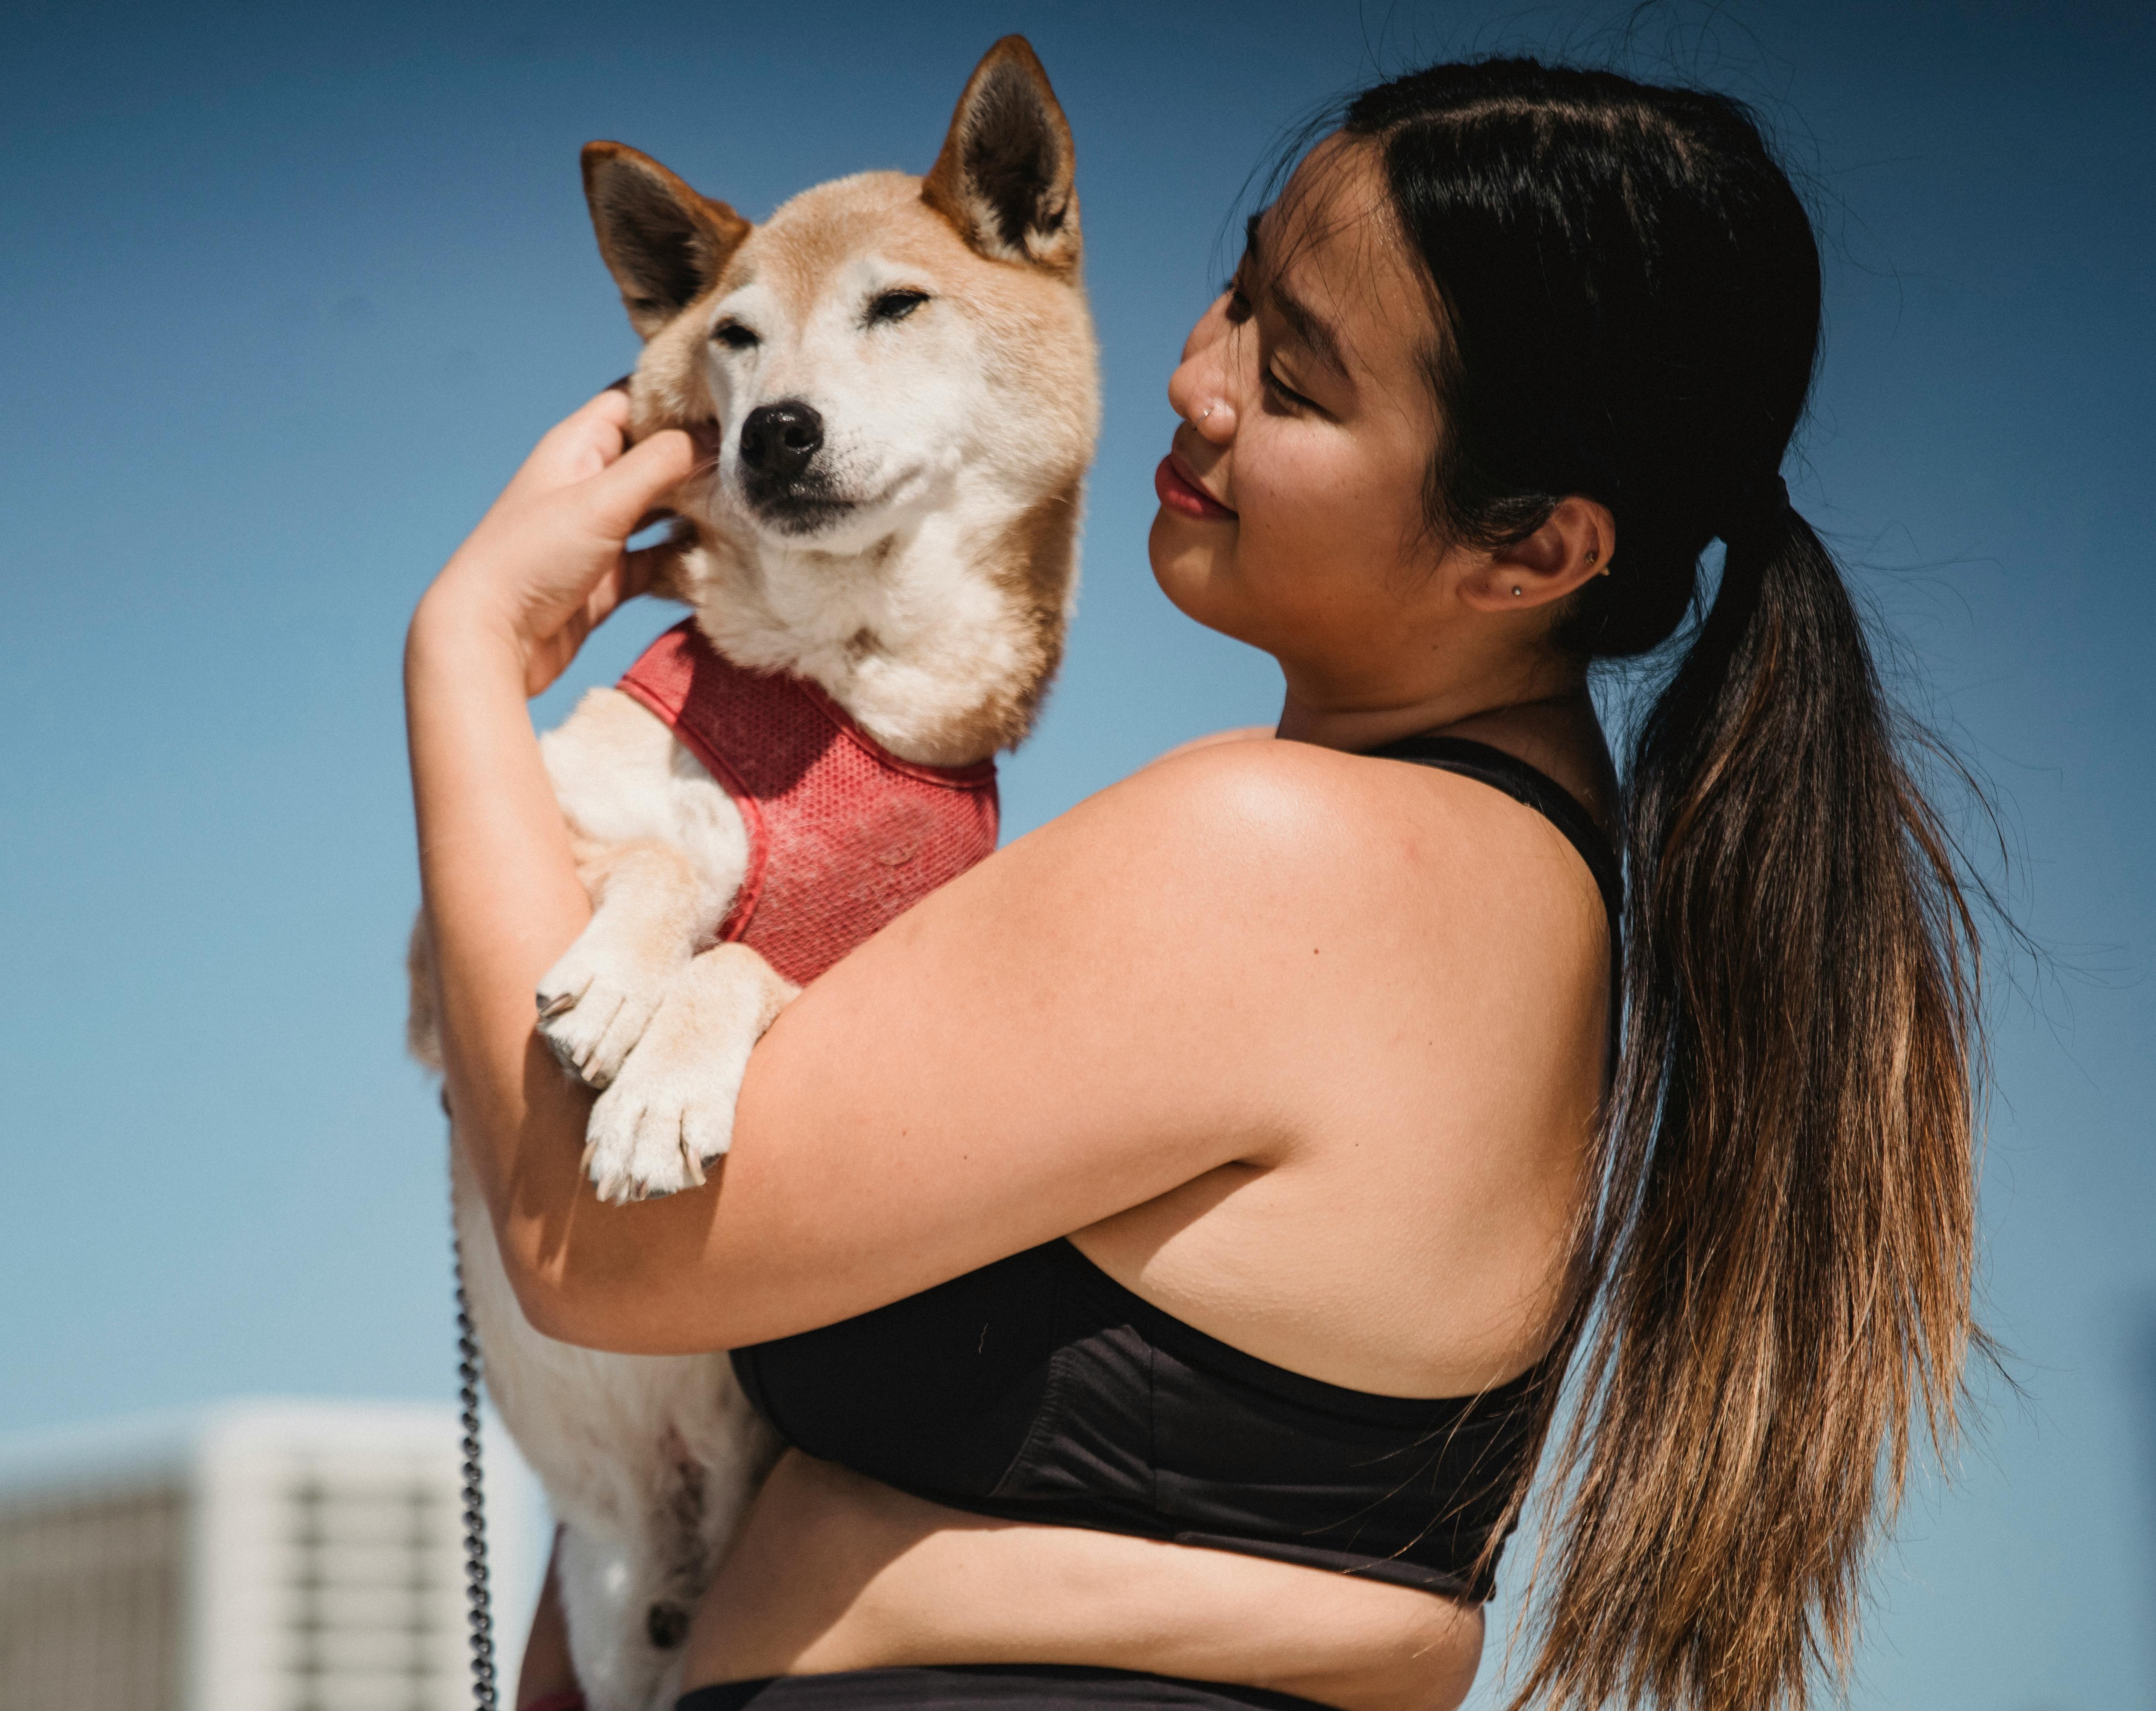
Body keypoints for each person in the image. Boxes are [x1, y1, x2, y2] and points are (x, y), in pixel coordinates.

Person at [405, 57, 1984, 1711]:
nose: (1192, 378)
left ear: (1532, 551)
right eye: (1237, 293)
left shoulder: (1280, 851)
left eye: (1293, 381)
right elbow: (1346, 1577)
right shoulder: (1528, 880)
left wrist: (466, 650)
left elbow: (588, 1245)